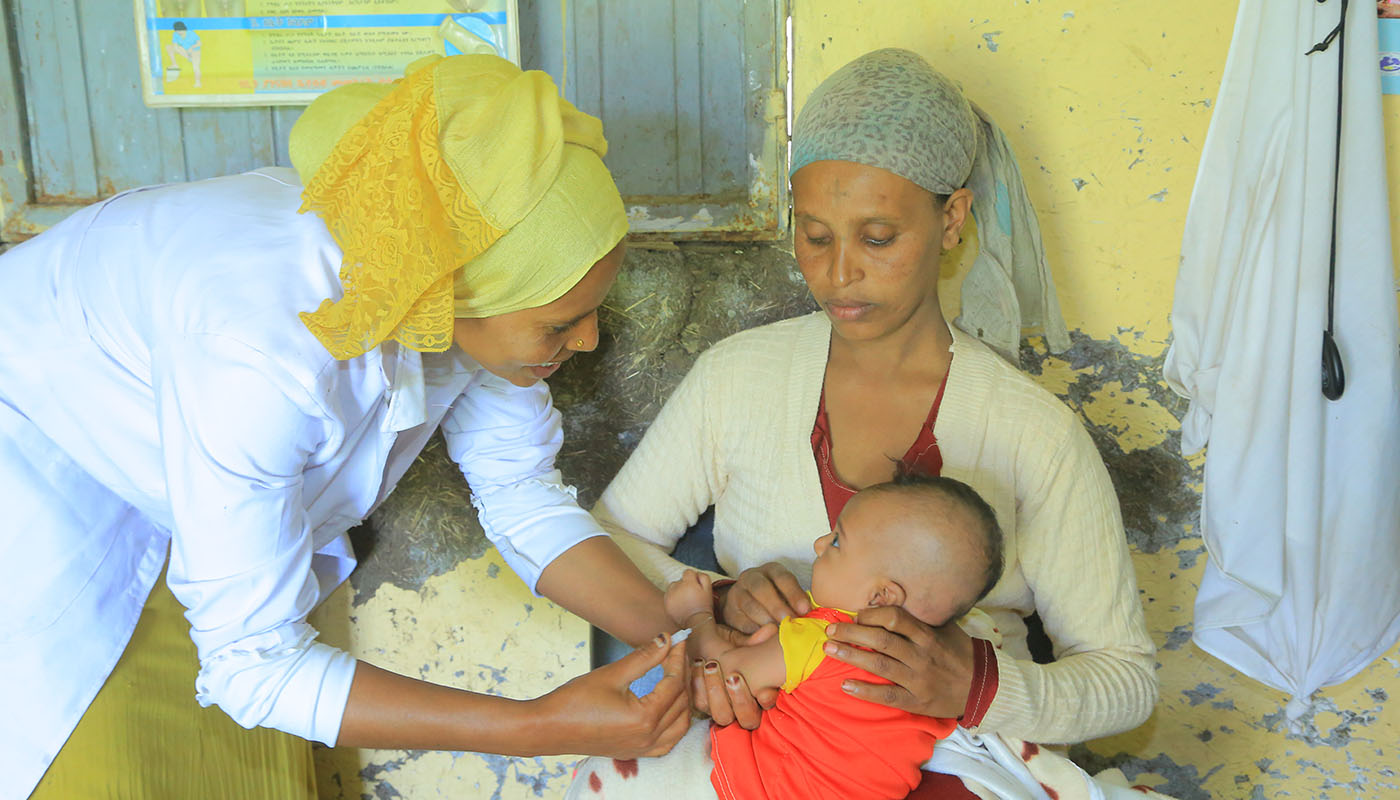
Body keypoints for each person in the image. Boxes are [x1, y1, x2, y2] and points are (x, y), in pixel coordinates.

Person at [0, 54, 691, 799]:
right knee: (110, 768)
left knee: (240, 769)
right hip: (46, 507)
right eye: (562, 323)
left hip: (189, 499)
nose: (587, 342)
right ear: (461, 293)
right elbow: (252, 666)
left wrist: (682, 633)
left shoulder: (439, 274)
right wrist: (536, 727)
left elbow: (519, 490)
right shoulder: (265, 351)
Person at [590, 48, 1158, 797]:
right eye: (815, 235)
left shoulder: (1030, 430)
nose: (837, 273)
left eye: (878, 237)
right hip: (761, 742)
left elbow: (1127, 679)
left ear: (952, 218)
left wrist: (976, 684)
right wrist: (719, 601)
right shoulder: (740, 377)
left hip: (961, 755)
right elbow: (603, 543)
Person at [570, 472, 1005, 800]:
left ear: (880, 596)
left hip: (756, 787)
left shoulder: (823, 638)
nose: (818, 544)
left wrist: (697, 613)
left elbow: (719, 671)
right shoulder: (937, 669)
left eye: (837, 542)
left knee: (610, 772)